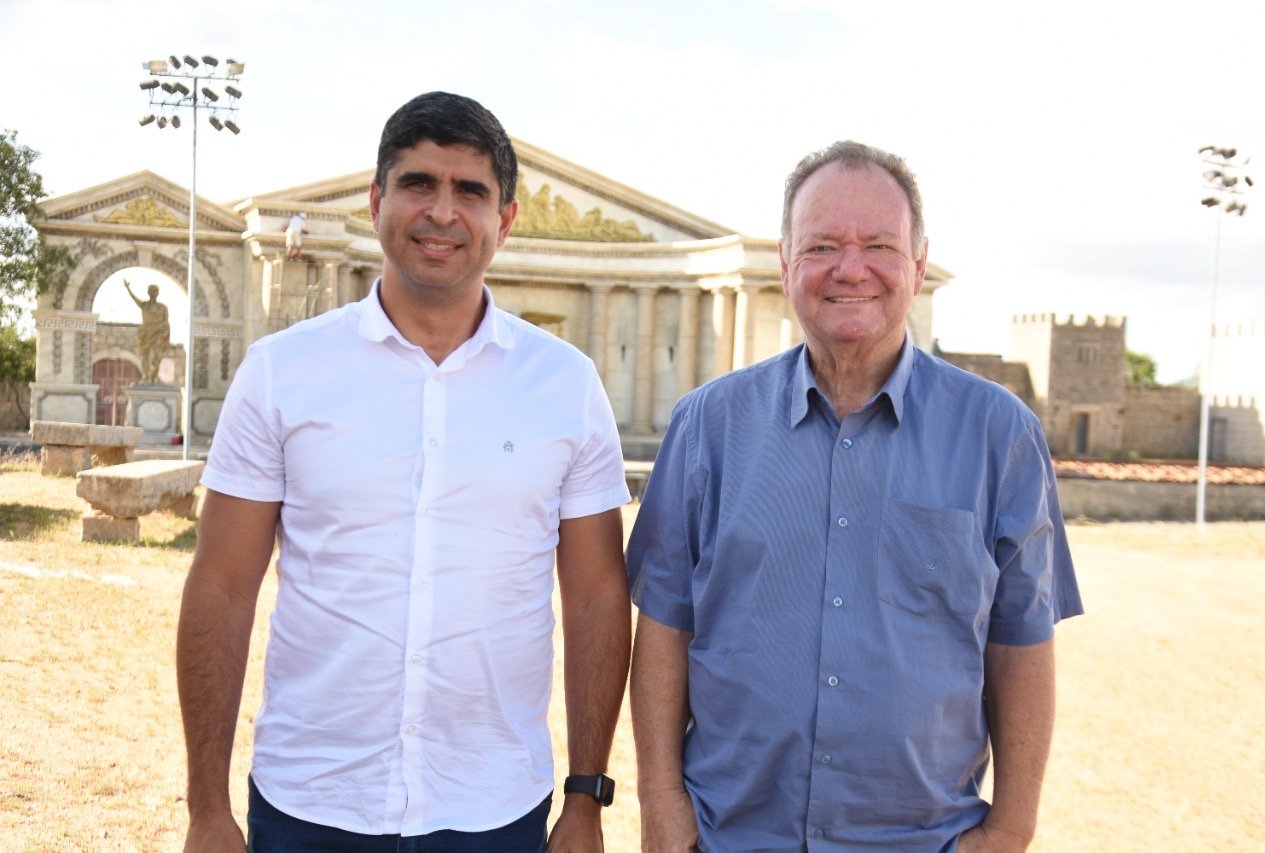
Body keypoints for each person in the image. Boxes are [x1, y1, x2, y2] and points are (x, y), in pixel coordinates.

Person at [177, 92, 634, 852]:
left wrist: (586, 798)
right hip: (308, 802)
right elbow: (221, 586)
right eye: (419, 183)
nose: (442, 212)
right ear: (377, 200)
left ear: (507, 219)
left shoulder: (567, 384)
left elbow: (595, 596)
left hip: (495, 807)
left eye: (471, 191)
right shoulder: (281, 373)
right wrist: (204, 806)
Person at [627, 141, 1083, 852]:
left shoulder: (1000, 434)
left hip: (922, 840)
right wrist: (660, 802)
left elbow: (1021, 642)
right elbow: (664, 623)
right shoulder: (706, 426)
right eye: (822, 245)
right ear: (785, 263)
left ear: (918, 262)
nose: (851, 267)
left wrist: (1011, 829)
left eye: (878, 244)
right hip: (730, 836)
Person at [123, 279, 170, 384]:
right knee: (145, 355)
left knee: (158, 356)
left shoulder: (162, 307)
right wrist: (128, 288)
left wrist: (163, 332)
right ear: (148, 293)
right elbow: (135, 299)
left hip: (158, 332)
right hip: (146, 333)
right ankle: (146, 376)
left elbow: (166, 321)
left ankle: (154, 375)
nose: (153, 292)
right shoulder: (144, 305)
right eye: (151, 290)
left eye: (155, 291)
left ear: (157, 293)